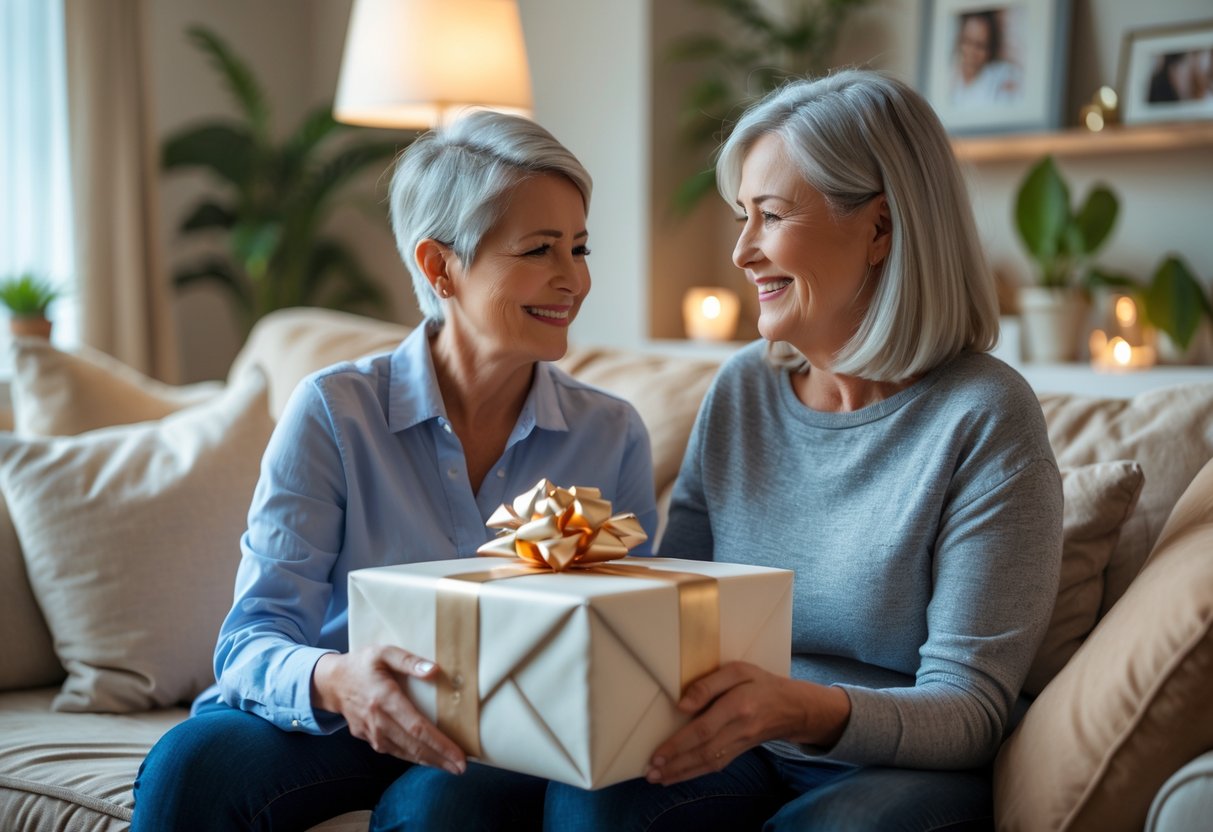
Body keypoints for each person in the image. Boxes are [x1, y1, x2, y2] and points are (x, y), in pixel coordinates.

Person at [375, 69, 1063, 832]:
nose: (741, 251)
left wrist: (796, 706)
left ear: (879, 228)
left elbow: (970, 709)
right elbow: (673, 617)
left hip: (890, 761)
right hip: (741, 739)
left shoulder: (984, 416)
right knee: (520, 799)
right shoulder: (744, 389)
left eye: (770, 215)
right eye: (742, 216)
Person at [130, 110, 658, 831]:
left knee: (438, 806)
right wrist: (337, 679)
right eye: (539, 250)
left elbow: (627, 641)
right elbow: (252, 638)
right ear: (439, 267)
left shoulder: (610, 434)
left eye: (579, 247)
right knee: (193, 761)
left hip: (509, 737)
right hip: (342, 715)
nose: (574, 279)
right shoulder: (334, 412)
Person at [950, 9, 1023, 106]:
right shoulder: (950, 75)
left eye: (980, 46)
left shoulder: (1001, 76)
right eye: (967, 41)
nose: (971, 52)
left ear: (989, 50)